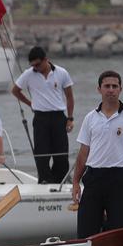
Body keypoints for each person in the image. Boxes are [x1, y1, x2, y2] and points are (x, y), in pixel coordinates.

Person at [71, 70, 123, 239]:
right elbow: (83, 154)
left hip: (118, 179)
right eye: (107, 86)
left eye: (115, 86)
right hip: (93, 177)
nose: (111, 90)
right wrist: (76, 182)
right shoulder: (90, 118)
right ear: (99, 89)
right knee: (86, 230)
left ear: (120, 89)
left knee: (117, 231)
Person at [11, 46, 75, 184]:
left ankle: (59, 180)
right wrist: (30, 104)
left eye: (38, 64)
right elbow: (15, 90)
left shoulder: (62, 72)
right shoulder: (29, 74)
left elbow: (69, 97)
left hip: (59, 117)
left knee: (61, 153)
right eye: (32, 65)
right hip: (40, 118)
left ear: (46, 59)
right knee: (42, 153)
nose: (35, 67)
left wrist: (70, 118)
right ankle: (45, 180)